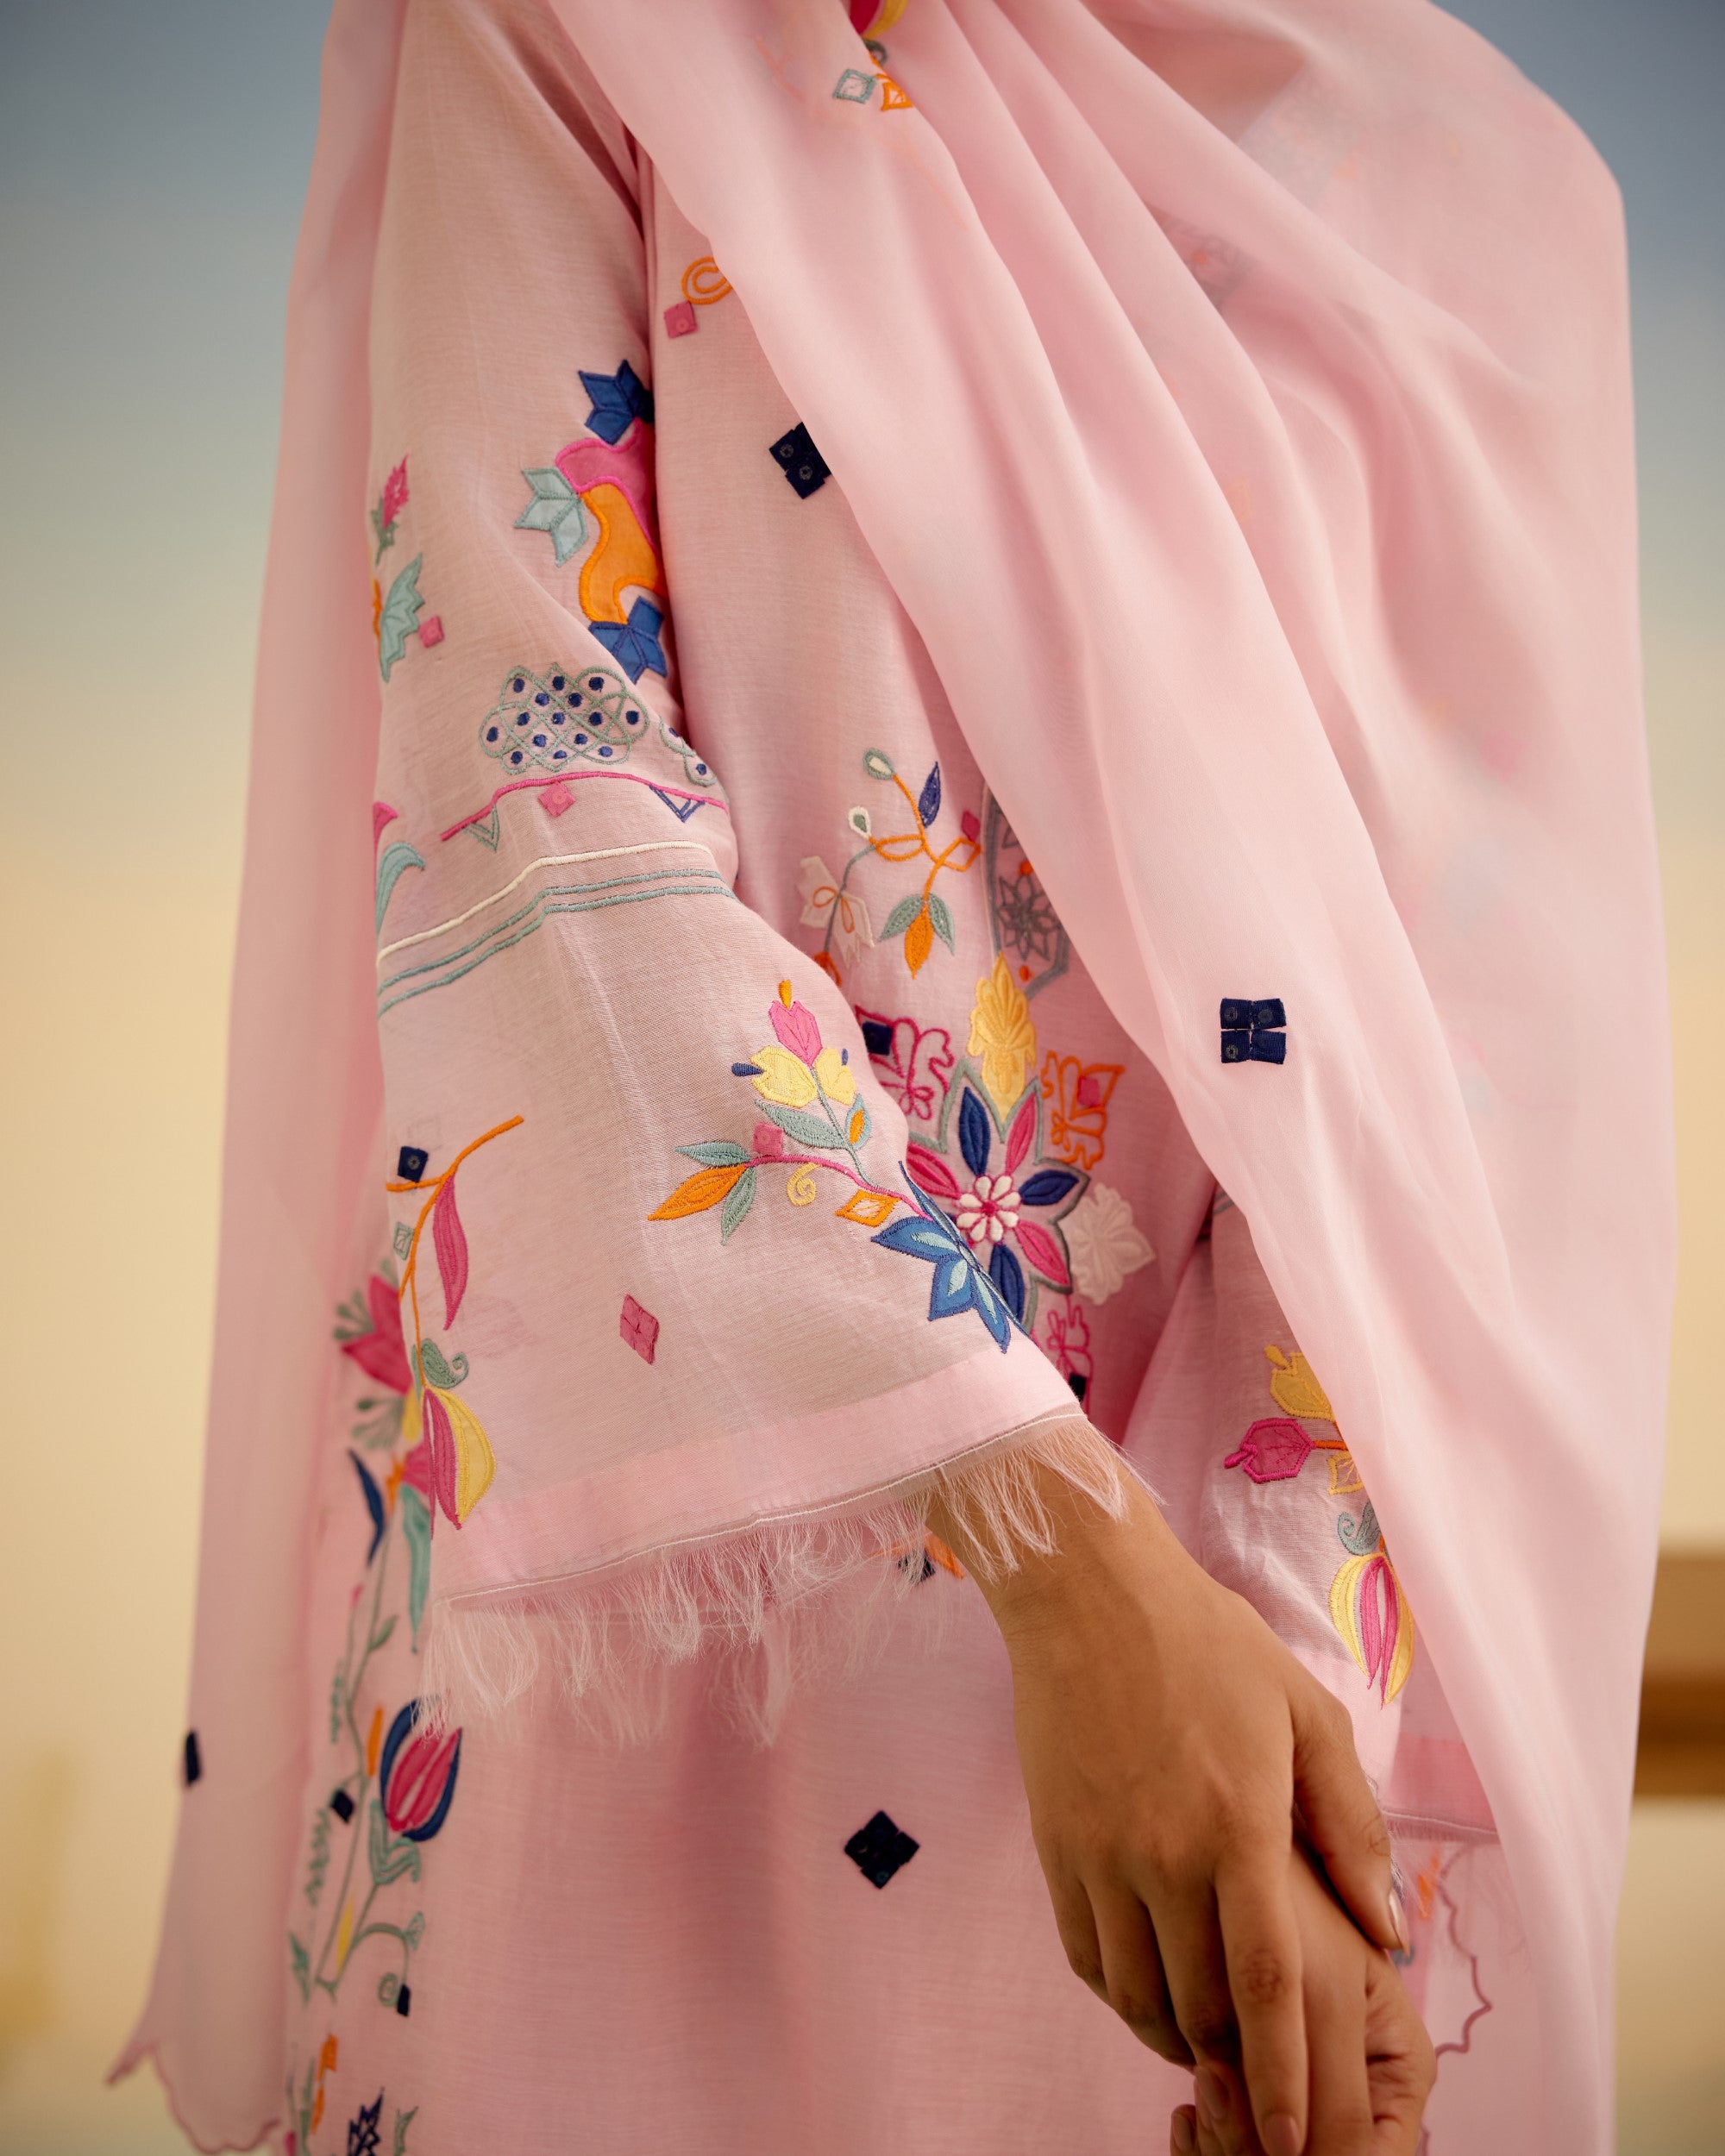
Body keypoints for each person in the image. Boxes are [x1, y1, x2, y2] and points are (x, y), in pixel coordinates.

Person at [115, 2, 1672, 2153]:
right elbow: (536, 795)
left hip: (1213, 1779)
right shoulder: (586, 35)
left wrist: (1282, 1750)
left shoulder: (1478, 203)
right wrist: (1064, 1560)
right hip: (688, 1627)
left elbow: (1455, 1067)